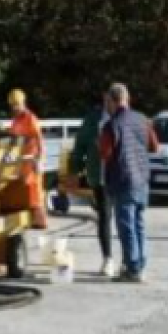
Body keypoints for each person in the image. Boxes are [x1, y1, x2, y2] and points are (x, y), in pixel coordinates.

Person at [98, 83, 160, 283]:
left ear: (113, 101)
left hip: (123, 180)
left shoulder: (112, 125)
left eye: (108, 101)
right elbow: (154, 146)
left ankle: (132, 269)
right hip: (142, 179)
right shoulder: (143, 120)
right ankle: (140, 264)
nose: (106, 105)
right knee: (139, 224)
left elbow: (105, 153)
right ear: (127, 98)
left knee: (126, 227)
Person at [69, 90, 115, 277]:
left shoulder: (125, 117)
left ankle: (132, 261)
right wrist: (75, 170)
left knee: (126, 218)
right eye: (107, 98)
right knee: (104, 216)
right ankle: (108, 258)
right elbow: (80, 145)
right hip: (100, 176)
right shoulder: (93, 119)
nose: (109, 102)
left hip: (123, 176)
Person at [7, 88, 47, 229]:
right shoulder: (15, 121)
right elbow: (12, 138)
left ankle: (40, 221)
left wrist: (40, 159)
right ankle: (29, 218)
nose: (15, 108)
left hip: (32, 159)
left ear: (22, 103)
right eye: (12, 105)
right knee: (24, 188)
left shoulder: (31, 119)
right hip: (21, 159)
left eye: (16, 105)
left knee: (35, 189)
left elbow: (39, 139)